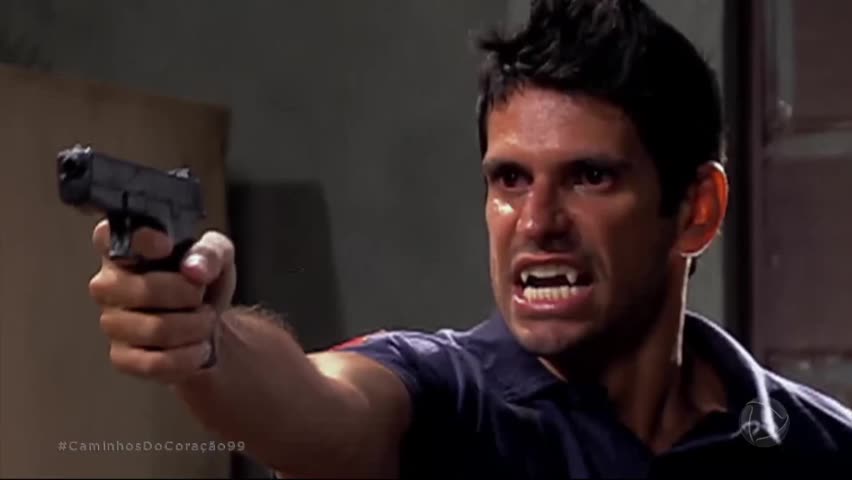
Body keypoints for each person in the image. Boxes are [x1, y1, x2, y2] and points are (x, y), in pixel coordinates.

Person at [86, 0, 852, 477]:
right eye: (510, 179)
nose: (537, 222)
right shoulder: (447, 397)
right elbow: (316, 404)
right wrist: (209, 341)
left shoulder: (819, 445)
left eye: (590, 177)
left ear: (696, 210)